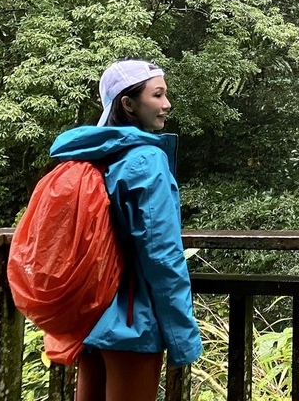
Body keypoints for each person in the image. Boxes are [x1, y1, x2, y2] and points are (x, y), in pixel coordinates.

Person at [49, 59, 202, 401]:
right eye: (157, 95)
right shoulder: (146, 161)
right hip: (132, 319)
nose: (167, 104)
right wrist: (182, 338)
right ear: (128, 104)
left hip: (89, 310)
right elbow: (161, 255)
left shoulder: (87, 155)